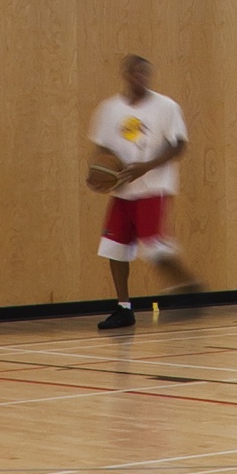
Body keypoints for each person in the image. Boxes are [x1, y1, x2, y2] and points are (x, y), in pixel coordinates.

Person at [86, 54, 201, 329]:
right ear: (125, 74)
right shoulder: (110, 108)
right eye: (136, 72)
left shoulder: (166, 107)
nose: (141, 77)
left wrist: (146, 167)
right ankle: (124, 309)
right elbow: (103, 149)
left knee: (152, 246)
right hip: (123, 189)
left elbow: (178, 145)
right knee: (114, 248)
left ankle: (188, 288)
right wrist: (97, 175)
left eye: (145, 73)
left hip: (153, 187)